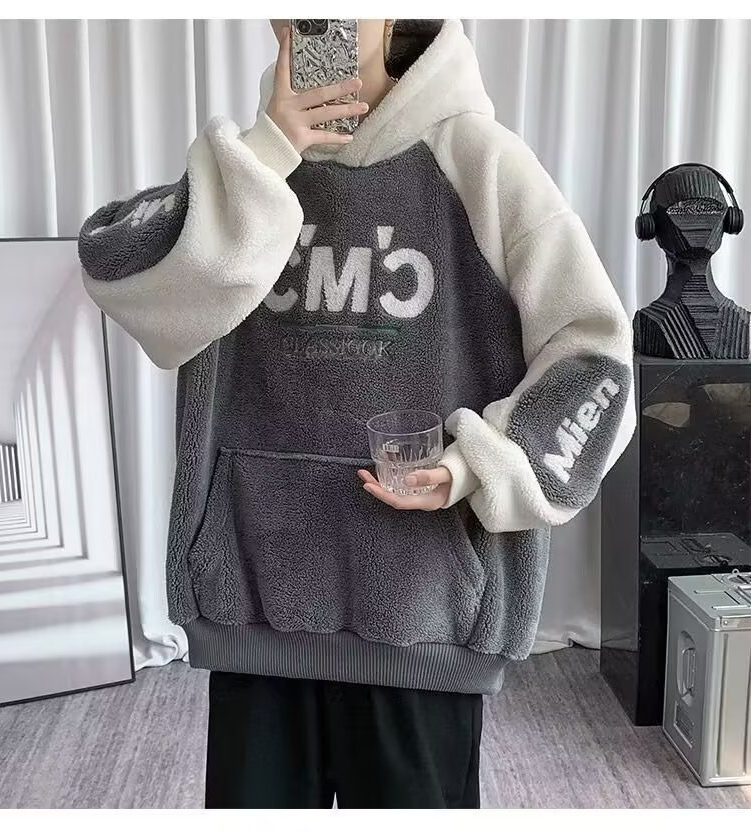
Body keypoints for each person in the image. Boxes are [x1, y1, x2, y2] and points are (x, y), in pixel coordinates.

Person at [78, 18, 636, 809]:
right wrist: (266, 153)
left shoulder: (481, 162)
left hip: (424, 614)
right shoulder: (247, 172)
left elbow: (597, 356)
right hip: (254, 603)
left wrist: (476, 466)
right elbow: (117, 267)